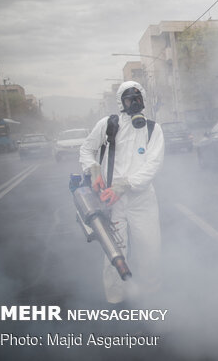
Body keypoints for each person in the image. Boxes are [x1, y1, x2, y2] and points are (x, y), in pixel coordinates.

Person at [79, 81, 165, 305]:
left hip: (142, 199)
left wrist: (124, 185)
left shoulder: (153, 129)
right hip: (112, 202)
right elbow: (87, 150)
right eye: (129, 100)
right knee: (115, 255)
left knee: (150, 249)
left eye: (138, 99)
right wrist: (93, 171)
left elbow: (152, 166)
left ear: (143, 101)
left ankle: (151, 296)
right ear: (121, 103)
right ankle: (116, 300)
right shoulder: (108, 125)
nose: (134, 103)